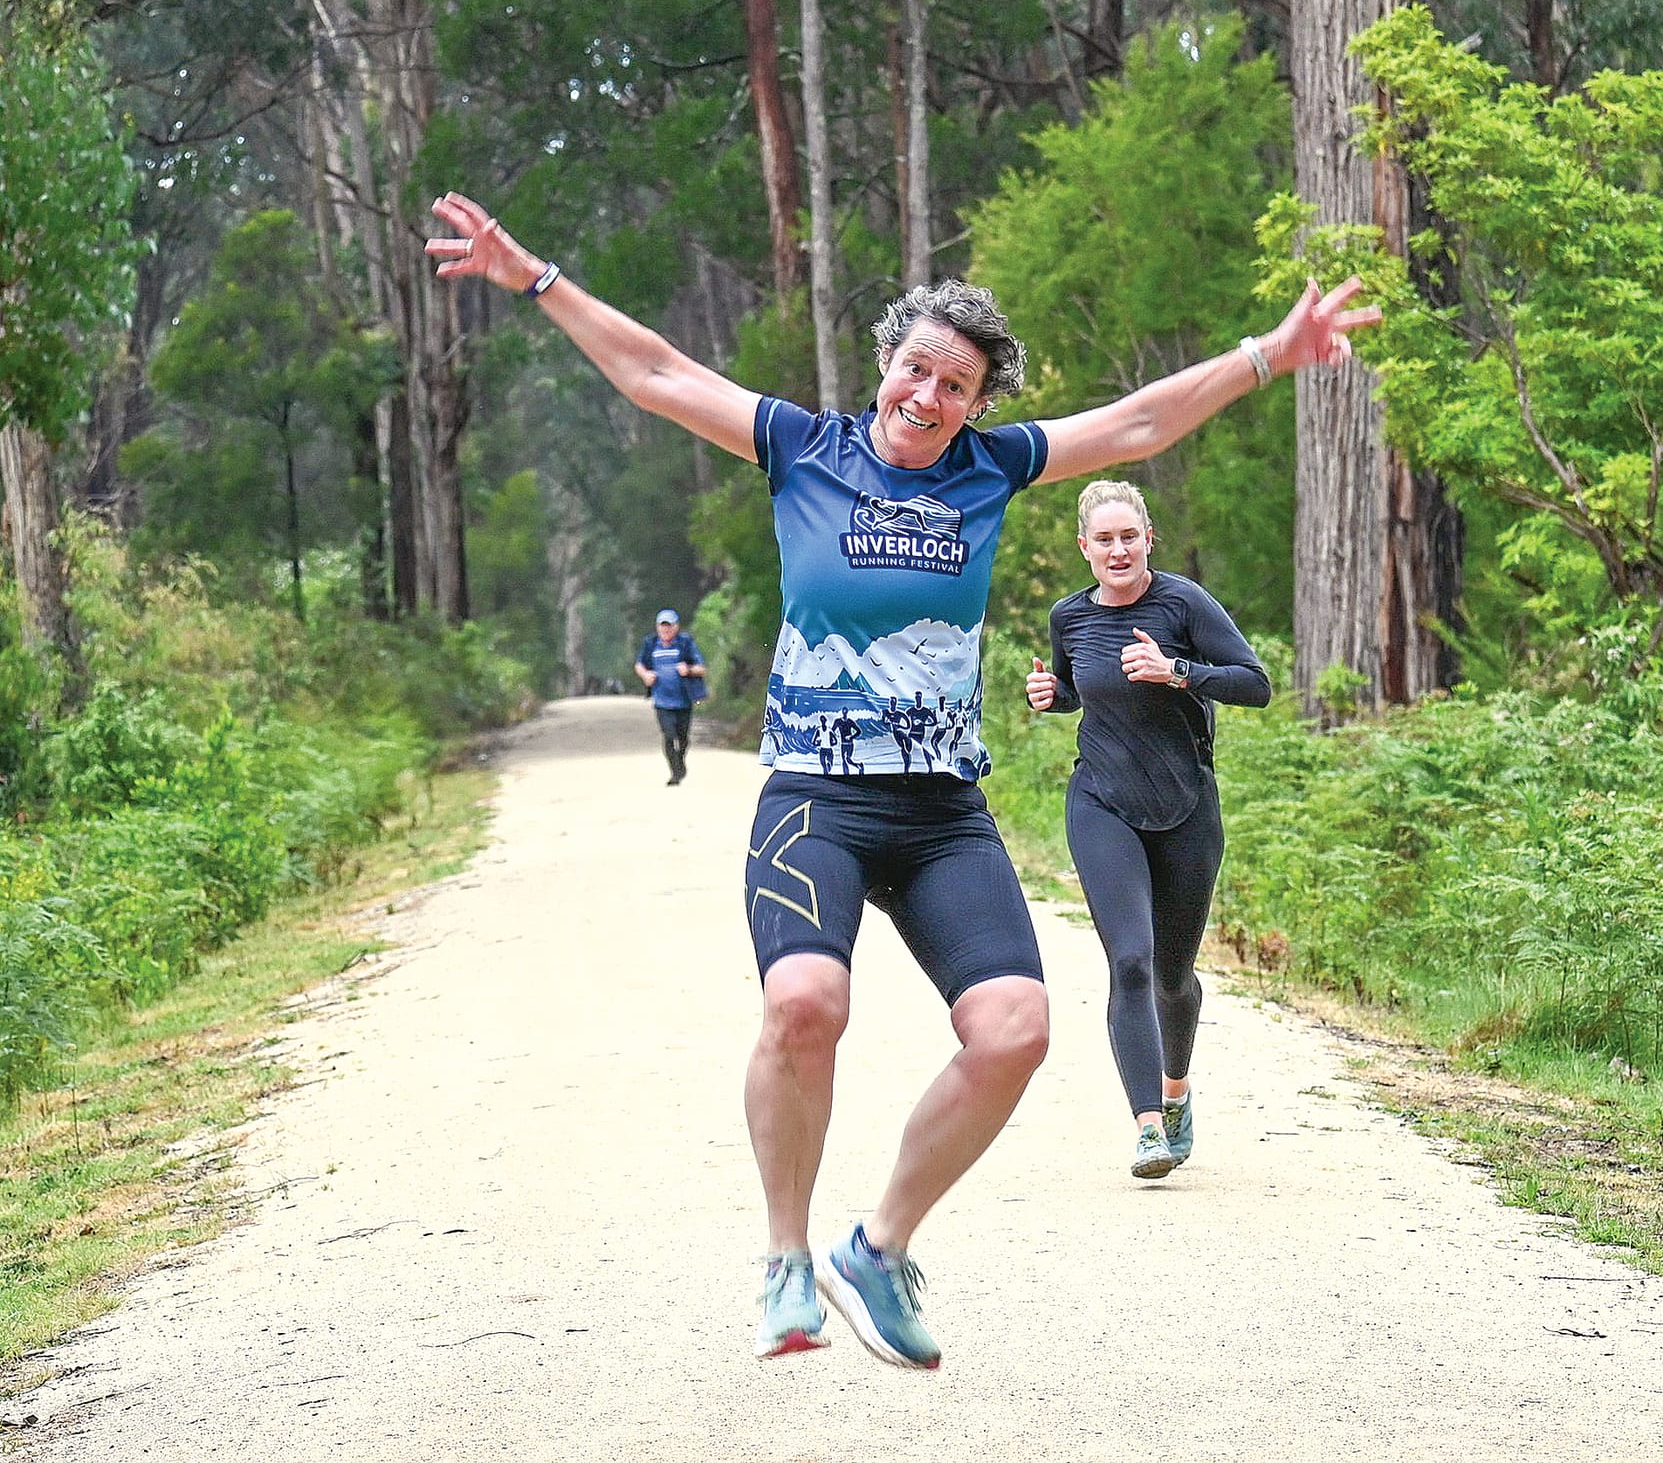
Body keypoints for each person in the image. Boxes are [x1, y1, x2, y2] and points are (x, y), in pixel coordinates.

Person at [425, 189, 1379, 1370]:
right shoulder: (800, 446)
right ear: (885, 361)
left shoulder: (990, 469)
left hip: (939, 808)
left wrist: (1264, 355)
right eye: (917, 370)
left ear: (977, 407)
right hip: (817, 797)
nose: (929, 400)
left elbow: (1135, 423)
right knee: (803, 1005)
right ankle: (785, 1259)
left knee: (1015, 1028)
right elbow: (660, 372)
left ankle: (878, 1247)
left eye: (957, 387)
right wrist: (535, 278)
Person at [1025, 481, 1270, 1180]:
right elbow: (1079, 686)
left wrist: (1179, 672)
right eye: (1104, 540)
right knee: (1129, 959)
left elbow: (1255, 682)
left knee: (1171, 975)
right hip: (1101, 799)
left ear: (1148, 539)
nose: (1118, 549)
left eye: (1128, 537)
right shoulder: (1068, 616)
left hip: (1186, 804)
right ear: (1085, 549)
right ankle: (1147, 1129)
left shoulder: (1183, 604)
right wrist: (1054, 695)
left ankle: (1176, 1090)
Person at [634, 607, 708, 784]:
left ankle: (680, 761)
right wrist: (646, 676)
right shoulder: (651, 644)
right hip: (662, 701)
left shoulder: (685, 644)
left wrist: (688, 670)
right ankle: (675, 772)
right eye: (662, 626)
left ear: (676, 627)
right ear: (657, 627)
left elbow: (702, 668)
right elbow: (639, 664)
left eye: (669, 625)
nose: (666, 629)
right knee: (668, 735)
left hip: (683, 701)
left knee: (683, 738)